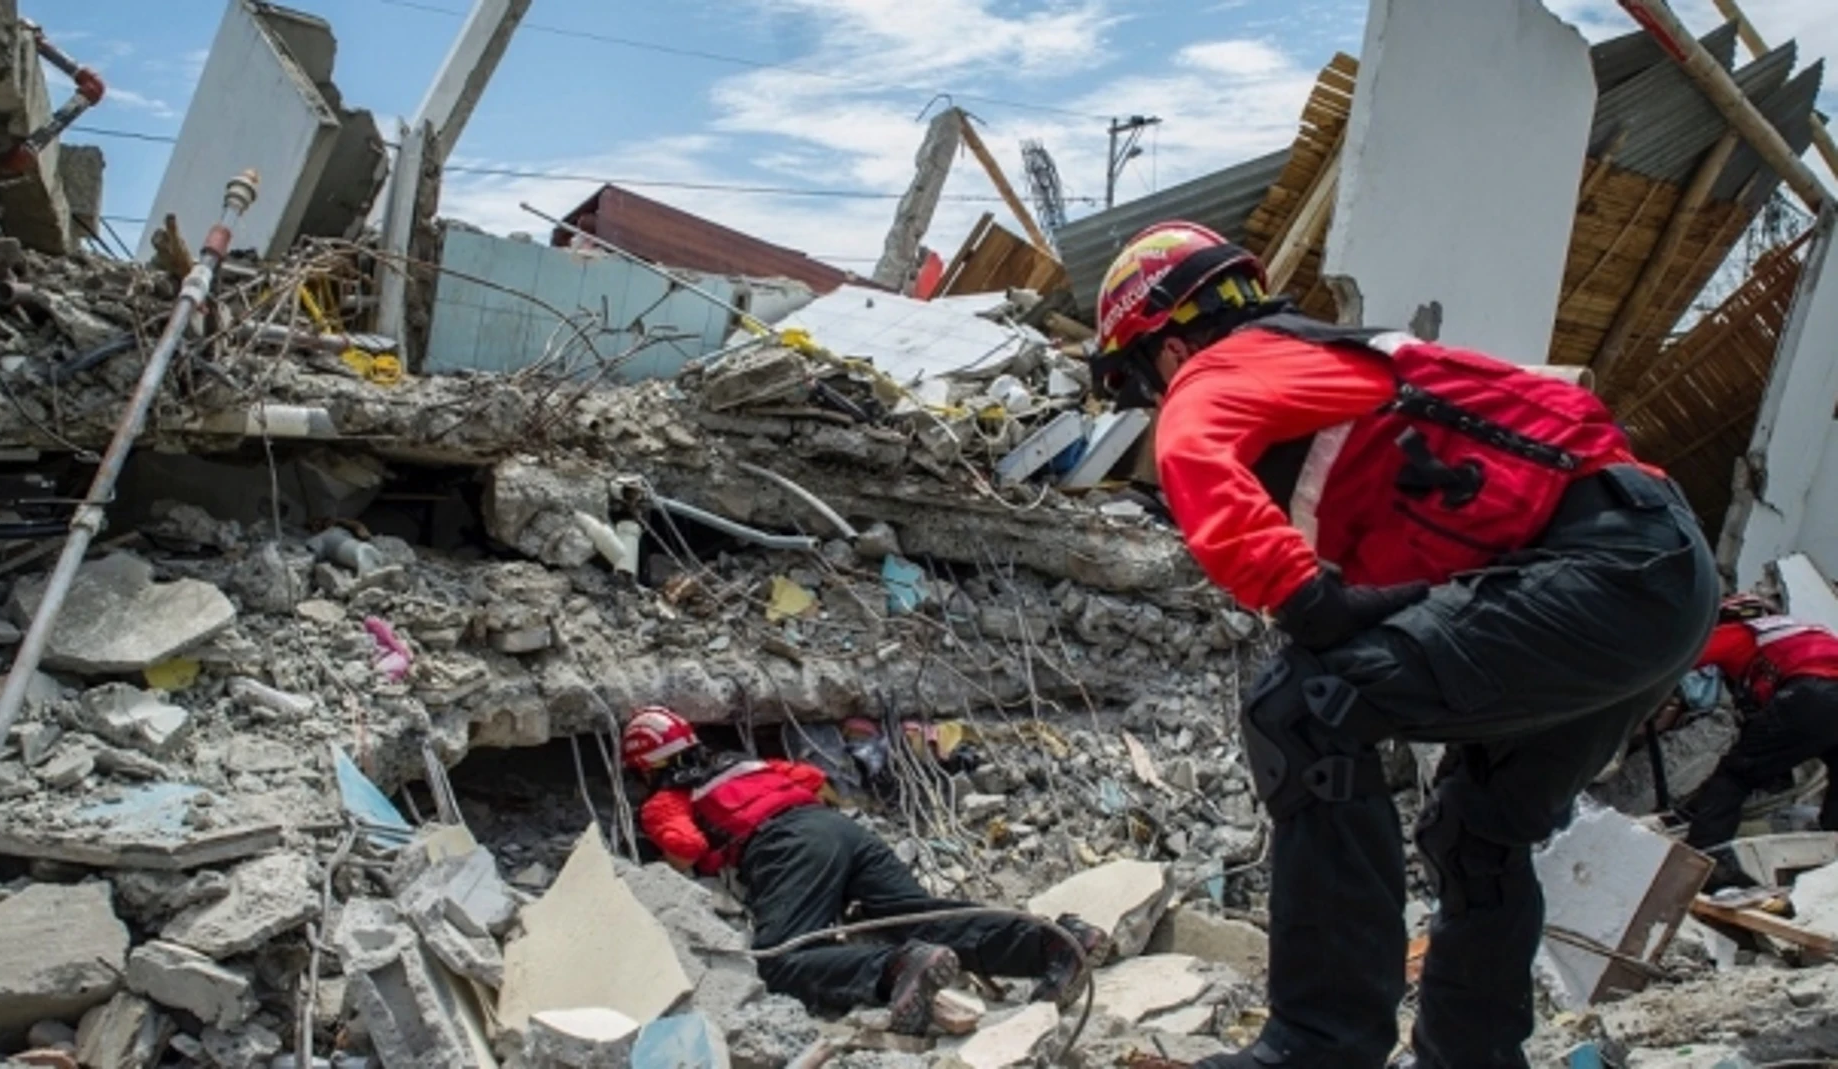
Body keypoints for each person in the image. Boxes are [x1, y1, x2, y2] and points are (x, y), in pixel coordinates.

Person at [1088, 222, 1719, 1068]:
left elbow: (1194, 454)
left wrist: (1307, 601)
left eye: (1139, 383)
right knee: (1478, 825)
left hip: (1601, 573)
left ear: (1166, 349)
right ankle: (1473, 1055)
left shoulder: (1216, 371)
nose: (1155, 401)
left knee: (1304, 709)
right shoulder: (1332, 357)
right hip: (1658, 573)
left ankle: (1321, 1044)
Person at [620, 705, 1108, 1034]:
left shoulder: (667, 799)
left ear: (645, 766)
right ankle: (1055, 943)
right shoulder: (747, 765)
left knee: (782, 961)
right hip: (839, 828)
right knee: (917, 914)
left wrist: (680, 856)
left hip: (787, 846)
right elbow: (810, 777)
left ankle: (896, 967)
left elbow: (684, 846)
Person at [1683, 593, 1838, 886]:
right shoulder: (1805, 631)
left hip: (1811, 694)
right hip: (1822, 691)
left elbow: (1678, 659)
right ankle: (1829, 876)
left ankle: (1701, 863)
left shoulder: (1743, 633)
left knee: (1735, 776)